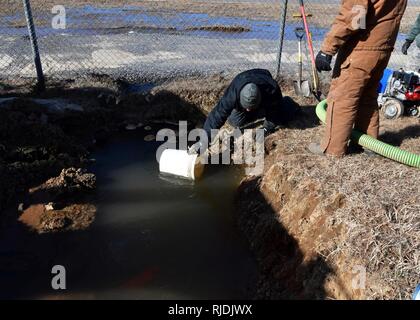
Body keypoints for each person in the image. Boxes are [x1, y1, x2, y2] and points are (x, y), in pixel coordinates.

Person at [310, 0, 408, 157]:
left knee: (342, 98)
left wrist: (328, 49)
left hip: (361, 47)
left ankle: (332, 149)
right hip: (383, 46)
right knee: (367, 96)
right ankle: (369, 145)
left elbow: (354, 15)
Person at [189, 68, 299, 154]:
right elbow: (217, 115)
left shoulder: (271, 89)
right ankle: (258, 112)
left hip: (264, 86)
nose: (248, 110)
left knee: (282, 115)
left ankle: (288, 103)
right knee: (234, 121)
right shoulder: (232, 94)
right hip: (244, 80)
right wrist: (204, 141)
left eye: (251, 107)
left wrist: (266, 128)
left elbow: (274, 112)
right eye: (246, 107)